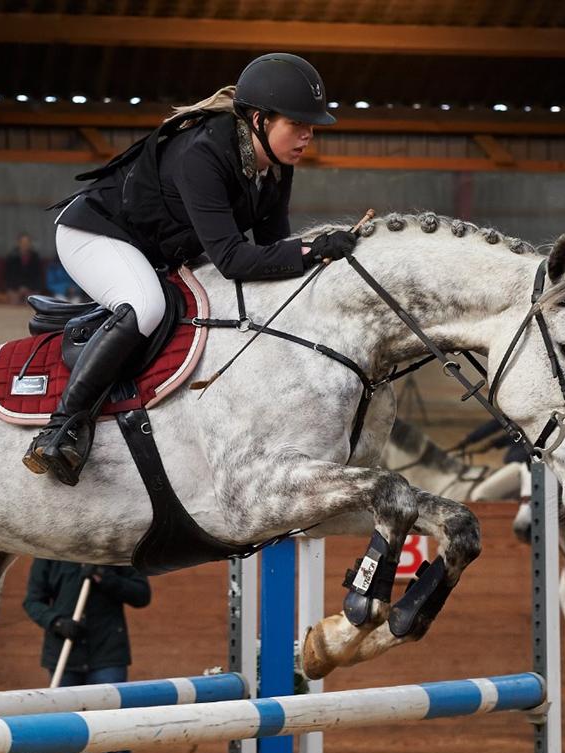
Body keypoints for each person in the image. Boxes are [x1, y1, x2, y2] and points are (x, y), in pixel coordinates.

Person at [24, 52, 360, 486]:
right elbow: (235, 259)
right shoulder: (204, 153)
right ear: (259, 120)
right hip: (97, 234)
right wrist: (313, 250)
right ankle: (61, 429)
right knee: (146, 308)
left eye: (310, 126)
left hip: (160, 248)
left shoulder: (275, 165)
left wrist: (320, 255)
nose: (308, 135)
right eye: (298, 124)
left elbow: (273, 247)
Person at [23, 558, 152, 753]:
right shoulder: (49, 553)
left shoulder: (110, 551)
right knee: (71, 744)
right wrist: (57, 622)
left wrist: (105, 578)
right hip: (64, 655)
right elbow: (32, 601)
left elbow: (142, 594)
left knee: (115, 739)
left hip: (107, 655)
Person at [4, 233, 45, 300]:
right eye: (23, 242)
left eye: (27, 242)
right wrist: (19, 287)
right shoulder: (11, 257)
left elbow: (38, 276)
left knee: (32, 300)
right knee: (14, 299)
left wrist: (28, 288)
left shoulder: (36, 258)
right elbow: (8, 276)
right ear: (18, 243)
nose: (25, 245)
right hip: (15, 288)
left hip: (31, 288)